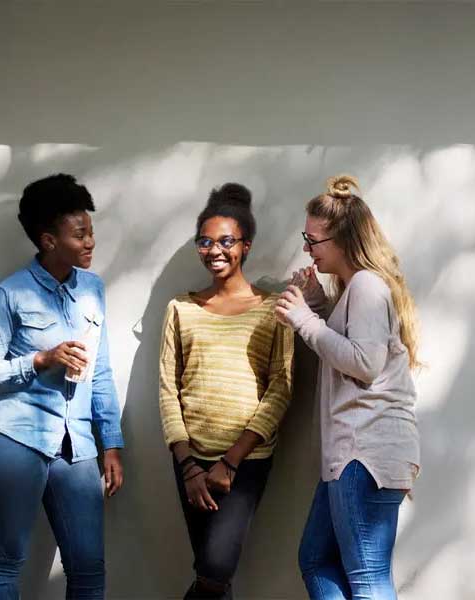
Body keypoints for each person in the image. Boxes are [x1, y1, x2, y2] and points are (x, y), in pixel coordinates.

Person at [0, 173, 124, 600]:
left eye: (91, 230)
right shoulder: (9, 294)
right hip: (14, 438)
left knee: (89, 568)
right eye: (80, 234)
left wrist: (110, 443)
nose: (91, 241)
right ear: (48, 240)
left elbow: (102, 371)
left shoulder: (93, 289)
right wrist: (41, 359)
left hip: (78, 446)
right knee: (4, 563)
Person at [276, 174, 422, 600]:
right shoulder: (355, 291)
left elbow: (365, 363)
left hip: (365, 453)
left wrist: (305, 320)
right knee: (316, 559)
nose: (307, 248)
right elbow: (351, 347)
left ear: (341, 240)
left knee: (368, 577)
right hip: (353, 454)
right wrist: (318, 304)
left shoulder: (367, 287)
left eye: (313, 239)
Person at [159, 183, 295, 599]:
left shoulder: (275, 308)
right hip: (192, 463)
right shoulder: (180, 308)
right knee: (214, 577)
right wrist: (188, 466)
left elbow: (282, 387)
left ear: (246, 246)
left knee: (215, 569)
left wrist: (230, 463)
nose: (214, 250)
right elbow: (168, 389)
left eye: (226, 241)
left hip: (245, 462)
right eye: (205, 241)